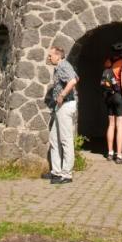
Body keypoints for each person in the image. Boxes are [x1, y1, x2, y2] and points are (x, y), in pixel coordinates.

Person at [44, 45, 79, 184]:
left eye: (50, 55)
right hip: (61, 107)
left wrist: (62, 95)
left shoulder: (64, 65)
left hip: (66, 105)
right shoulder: (60, 67)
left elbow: (73, 80)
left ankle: (67, 175)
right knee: (54, 139)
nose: (48, 57)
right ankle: (56, 172)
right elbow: (77, 77)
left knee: (65, 140)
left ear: (58, 55)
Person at [100, 42, 122, 163]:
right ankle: (119, 156)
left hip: (108, 96)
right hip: (118, 96)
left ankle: (110, 153)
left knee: (111, 124)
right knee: (120, 125)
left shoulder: (108, 62)